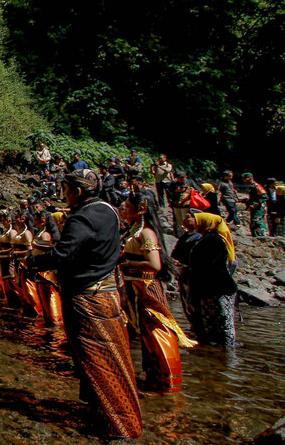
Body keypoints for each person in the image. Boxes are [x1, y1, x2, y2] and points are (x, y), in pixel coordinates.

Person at [26, 169, 142, 439]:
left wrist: (33, 262)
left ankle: (116, 427)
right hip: (107, 293)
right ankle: (108, 414)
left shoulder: (82, 217)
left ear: (78, 191)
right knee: (112, 356)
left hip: (87, 298)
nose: (64, 195)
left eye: (66, 190)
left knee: (95, 359)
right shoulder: (109, 210)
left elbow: (64, 254)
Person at [118, 193, 195, 393]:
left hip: (146, 288)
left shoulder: (146, 233)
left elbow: (154, 264)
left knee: (157, 330)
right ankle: (152, 376)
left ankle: (169, 380)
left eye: (127, 206)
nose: (124, 210)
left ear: (141, 209)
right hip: (133, 287)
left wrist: (126, 263)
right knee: (144, 333)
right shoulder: (132, 231)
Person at [186, 214, 238, 347]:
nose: (195, 224)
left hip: (217, 288)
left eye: (198, 221)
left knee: (221, 322)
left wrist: (188, 270)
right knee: (216, 322)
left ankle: (224, 350)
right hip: (212, 288)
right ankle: (219, 352)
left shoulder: (212, 240)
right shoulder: (207, 239)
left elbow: (206, 265)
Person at [30, 210, 63, 325]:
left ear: (43, 221)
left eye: (36, 220)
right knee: (43, 298)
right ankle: (47, 320)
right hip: (39, 270)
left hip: (47, 272)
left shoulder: (46, 234)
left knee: (50, 298)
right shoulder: (40, 233)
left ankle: (55, 321)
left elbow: (51, 248)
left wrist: (35, 245)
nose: (35, 223)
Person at [11, 213, 40, 316]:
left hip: (23, 262)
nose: (16, 220)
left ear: (23, 219)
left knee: (26, 286)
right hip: (17, 262)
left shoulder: (27, 233)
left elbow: (30, 250)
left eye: (18, 218)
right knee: (19, 285)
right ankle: (25, 307)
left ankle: (33, 309)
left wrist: (17, 253)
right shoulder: (19, 232)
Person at [170, 172, 195, 236]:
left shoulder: (190, 182)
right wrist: (175, 191)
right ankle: (182, 232)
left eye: (182, 178)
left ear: (185, 177)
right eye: (179, 178)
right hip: (176, 204)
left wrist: (191, 191)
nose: (181, 180)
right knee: (179, 219)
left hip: (186, 204)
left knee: (185, 218)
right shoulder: (174, 183)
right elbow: (169, 192)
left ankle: (187, 231)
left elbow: (196, 190)